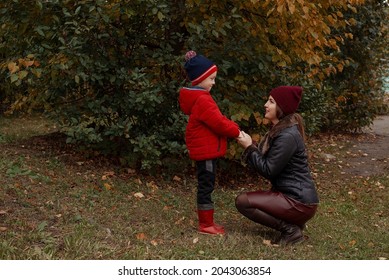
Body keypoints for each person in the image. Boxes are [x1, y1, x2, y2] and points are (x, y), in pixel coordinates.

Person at [235, 86, 319, 245]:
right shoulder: (281, 130)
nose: (266, 104)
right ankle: (295, 224)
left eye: (271, 101)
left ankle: (291, 230)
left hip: (299, 202)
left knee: (242, 201)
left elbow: (269, 170)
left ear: (282, 107)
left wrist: (249, 147)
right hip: (296, 199)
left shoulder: (287, 135)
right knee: (246, 200)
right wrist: (251, 146)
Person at [179, 50, 240, 235]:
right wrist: (236, 131)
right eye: (211, 78)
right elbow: (219, 123)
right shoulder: (203, 100)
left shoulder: (199, 98)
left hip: (205, 150)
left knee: (207, 184)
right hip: (206, 152)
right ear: (200, 78)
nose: (214, 82)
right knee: (206, 186)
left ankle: (207, 222)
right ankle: (206, 225)